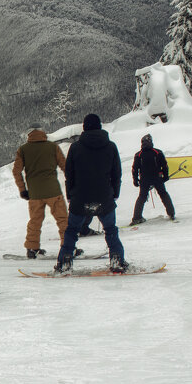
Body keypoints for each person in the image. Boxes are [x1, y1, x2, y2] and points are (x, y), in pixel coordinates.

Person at [55, 113, 127, 273]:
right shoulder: (111, 146)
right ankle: (117, 260)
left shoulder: (75, 147)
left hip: (80, 197)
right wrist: (114, 194)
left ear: (84, 128)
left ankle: (65, 262)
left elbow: (70, 174)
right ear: (100, 127)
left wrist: (70, 195)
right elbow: (117, 174)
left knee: (72, 231)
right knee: (110, 230)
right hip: (104, 196)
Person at [12, 125, 68, 258]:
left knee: (35, 221)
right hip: (53, 190)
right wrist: (71, 183)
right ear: (43, 133)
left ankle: (32, 248)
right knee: (62, 219)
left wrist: (23, 190)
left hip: (34, 193)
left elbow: (16, 171)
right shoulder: (52, 147)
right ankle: (68, 246)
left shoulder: (23, 149)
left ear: (29, 135)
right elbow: (65, 166)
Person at [130, 133, 176, 225]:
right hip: (157, 178)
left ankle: (136, 217)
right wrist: (165, 176)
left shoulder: (138, 155)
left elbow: (135, 169)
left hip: (144, 180)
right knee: (163, 194)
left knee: (142, 197)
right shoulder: (158, 152)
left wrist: (135, 180)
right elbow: (164, 166)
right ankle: (171, 213)